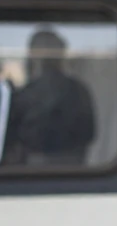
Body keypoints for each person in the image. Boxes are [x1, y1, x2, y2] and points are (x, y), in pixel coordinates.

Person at [9, 29, 97, 166]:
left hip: (36, 169)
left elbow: (13, 136)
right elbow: (90, 133)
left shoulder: (26, 93)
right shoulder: (80, 90)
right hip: (75, 169)